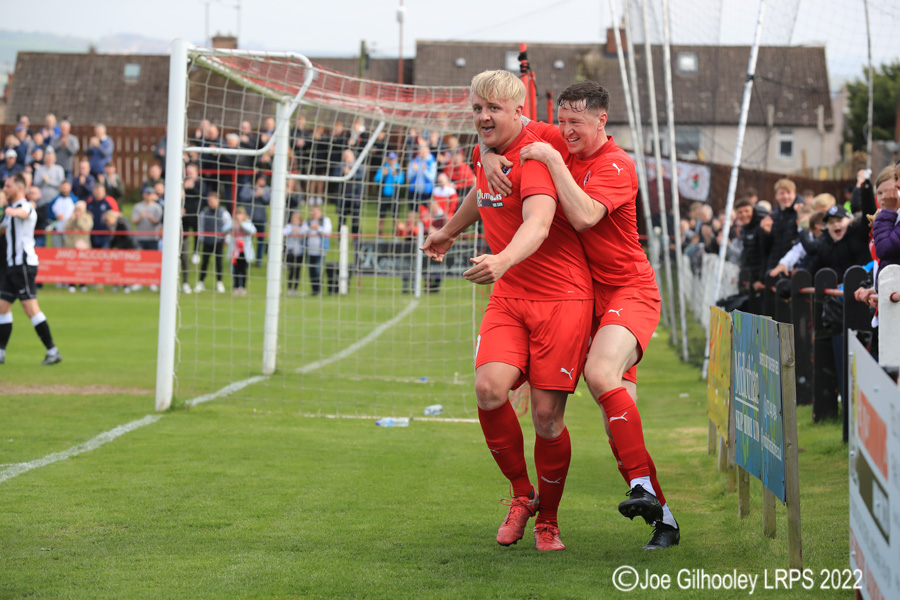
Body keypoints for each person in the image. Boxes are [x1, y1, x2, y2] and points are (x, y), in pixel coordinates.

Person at [484, 80, 681, 550]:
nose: (567, 130)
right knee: (619, 419)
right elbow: (503, 125)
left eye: (577, 122)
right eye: (563, 120)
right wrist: (488, 154)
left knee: (600, 375)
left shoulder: (616, 163)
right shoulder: (555, 139)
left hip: (628, 289)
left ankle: (641, 489)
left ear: (601, 121)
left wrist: (550, 159)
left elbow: (586, 216)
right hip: (584, 297)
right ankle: (664, 517)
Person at [421, 70, 594, 552]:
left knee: (545, 419)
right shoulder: (484, 151)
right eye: (477, 108)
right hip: (511, 296)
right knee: (488, 388)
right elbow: (483, 189)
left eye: (493, 109)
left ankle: (549, 522)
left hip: (562, 299)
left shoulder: (541, 153)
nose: (482, 117)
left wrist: (501, 259)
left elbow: (538, 224)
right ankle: (522, 496)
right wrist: (450, 230)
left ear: (519, 110)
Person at [0, 173, 62, 365]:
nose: (5, 189)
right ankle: (1, 352)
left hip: (24, 265)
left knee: (30, 308)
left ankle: (52, 350)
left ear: (19, 188)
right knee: (2, 307)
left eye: (8, 186)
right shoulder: (9, 211)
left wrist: (10, 211)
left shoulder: (24, 206)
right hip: (13, 266)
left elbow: (25, 213)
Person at [195, 190, 232, 294]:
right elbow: (201, 227)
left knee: (219, 263)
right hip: (207, 241)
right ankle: (201, 282)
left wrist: (227, 239)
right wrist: (201, 239)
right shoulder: (204, 213)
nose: (211, 202)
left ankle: (219, 282)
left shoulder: (224, 213)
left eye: (213, 200)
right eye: (209, 200)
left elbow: (229, 227)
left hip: (219, 241)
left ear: (218, 201)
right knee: (204, 262)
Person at [237, 174, 271, 267]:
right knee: (247, 240)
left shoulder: (266, 189)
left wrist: (262, 194)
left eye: (264, 180)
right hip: (249, 219)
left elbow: (269, 200)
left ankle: (259, 260)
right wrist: (255, 194)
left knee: (261, 241)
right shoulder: (248, 186)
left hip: (261, 218)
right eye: (261, 179)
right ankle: (247, 260)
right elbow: (242, 197)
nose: (263, 181)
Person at [300, 204, 332, 296]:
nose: (313, 213)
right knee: (311, 271)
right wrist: (311, 228)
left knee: (318, 270)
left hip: (320, 250)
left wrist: (317, 228)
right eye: (312, 211)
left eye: (315, 212)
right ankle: (314, 290)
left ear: (320, 212)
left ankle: (319, 290)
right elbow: (302, 231)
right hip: (309, 251)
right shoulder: (308, 221)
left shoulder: (325, 220)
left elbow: (327, 231)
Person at [374, 152, 405, 235]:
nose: (391, 161)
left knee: (395, 217)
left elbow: (400, 182)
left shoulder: (398, 168)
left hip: (394, 196)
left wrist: (395, 176)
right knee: (381, 217)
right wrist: (383, 175)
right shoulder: (384, 167)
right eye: (390, 159)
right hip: (384, 196)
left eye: (393, 159)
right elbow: (376, 180)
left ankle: (395, 235)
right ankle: (380, 236)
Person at [228, 206, 256, 296]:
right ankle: (236, 287)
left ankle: (243, 287)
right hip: (235, 252)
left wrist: (241, 225)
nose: (238, 216)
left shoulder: (248, 223)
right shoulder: (232, 224)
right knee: (235, 270)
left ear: (244, 215)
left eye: (240, 214)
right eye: (237, 214)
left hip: (244, 251)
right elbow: (224, 229)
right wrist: (234, 225)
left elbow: (253, 231)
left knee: (243, 270)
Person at [338, 148, 364, 238]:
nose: (346, 158)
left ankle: (356, 238)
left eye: (348, 156)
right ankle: (340, 237)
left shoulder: (359, 165)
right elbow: (335, 175)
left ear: (352, 156)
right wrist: (342, 172)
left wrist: (350, 173)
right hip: (343, 196)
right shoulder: (341, 165)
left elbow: (360, 176)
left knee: (355, 219)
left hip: (355, 197)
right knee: (342, 218)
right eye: (345, 156)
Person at [407, 144, 436, 212]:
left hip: (426, 193)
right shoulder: (414, 162)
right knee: (413, 212)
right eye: (421, 151)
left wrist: (424, 171)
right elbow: (408, 178)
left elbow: (432, 178)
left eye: (424, 152)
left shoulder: (432, 162)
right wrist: (414, 171)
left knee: (425, 214)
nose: (422, 154)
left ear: (428, 152)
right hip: (414, 192)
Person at [284, 211, 305, 296]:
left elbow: (305, 234)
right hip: (290, 252)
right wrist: (291, 231)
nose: (295, 221)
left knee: (297, 271)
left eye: (297, 219)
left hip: (299, 252)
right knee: (291, 271)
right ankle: (289, 289)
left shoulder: (303, 228)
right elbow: (283, 233)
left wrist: (299, 232)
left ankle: (295, 289)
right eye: (293, 219)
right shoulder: (288, 227)